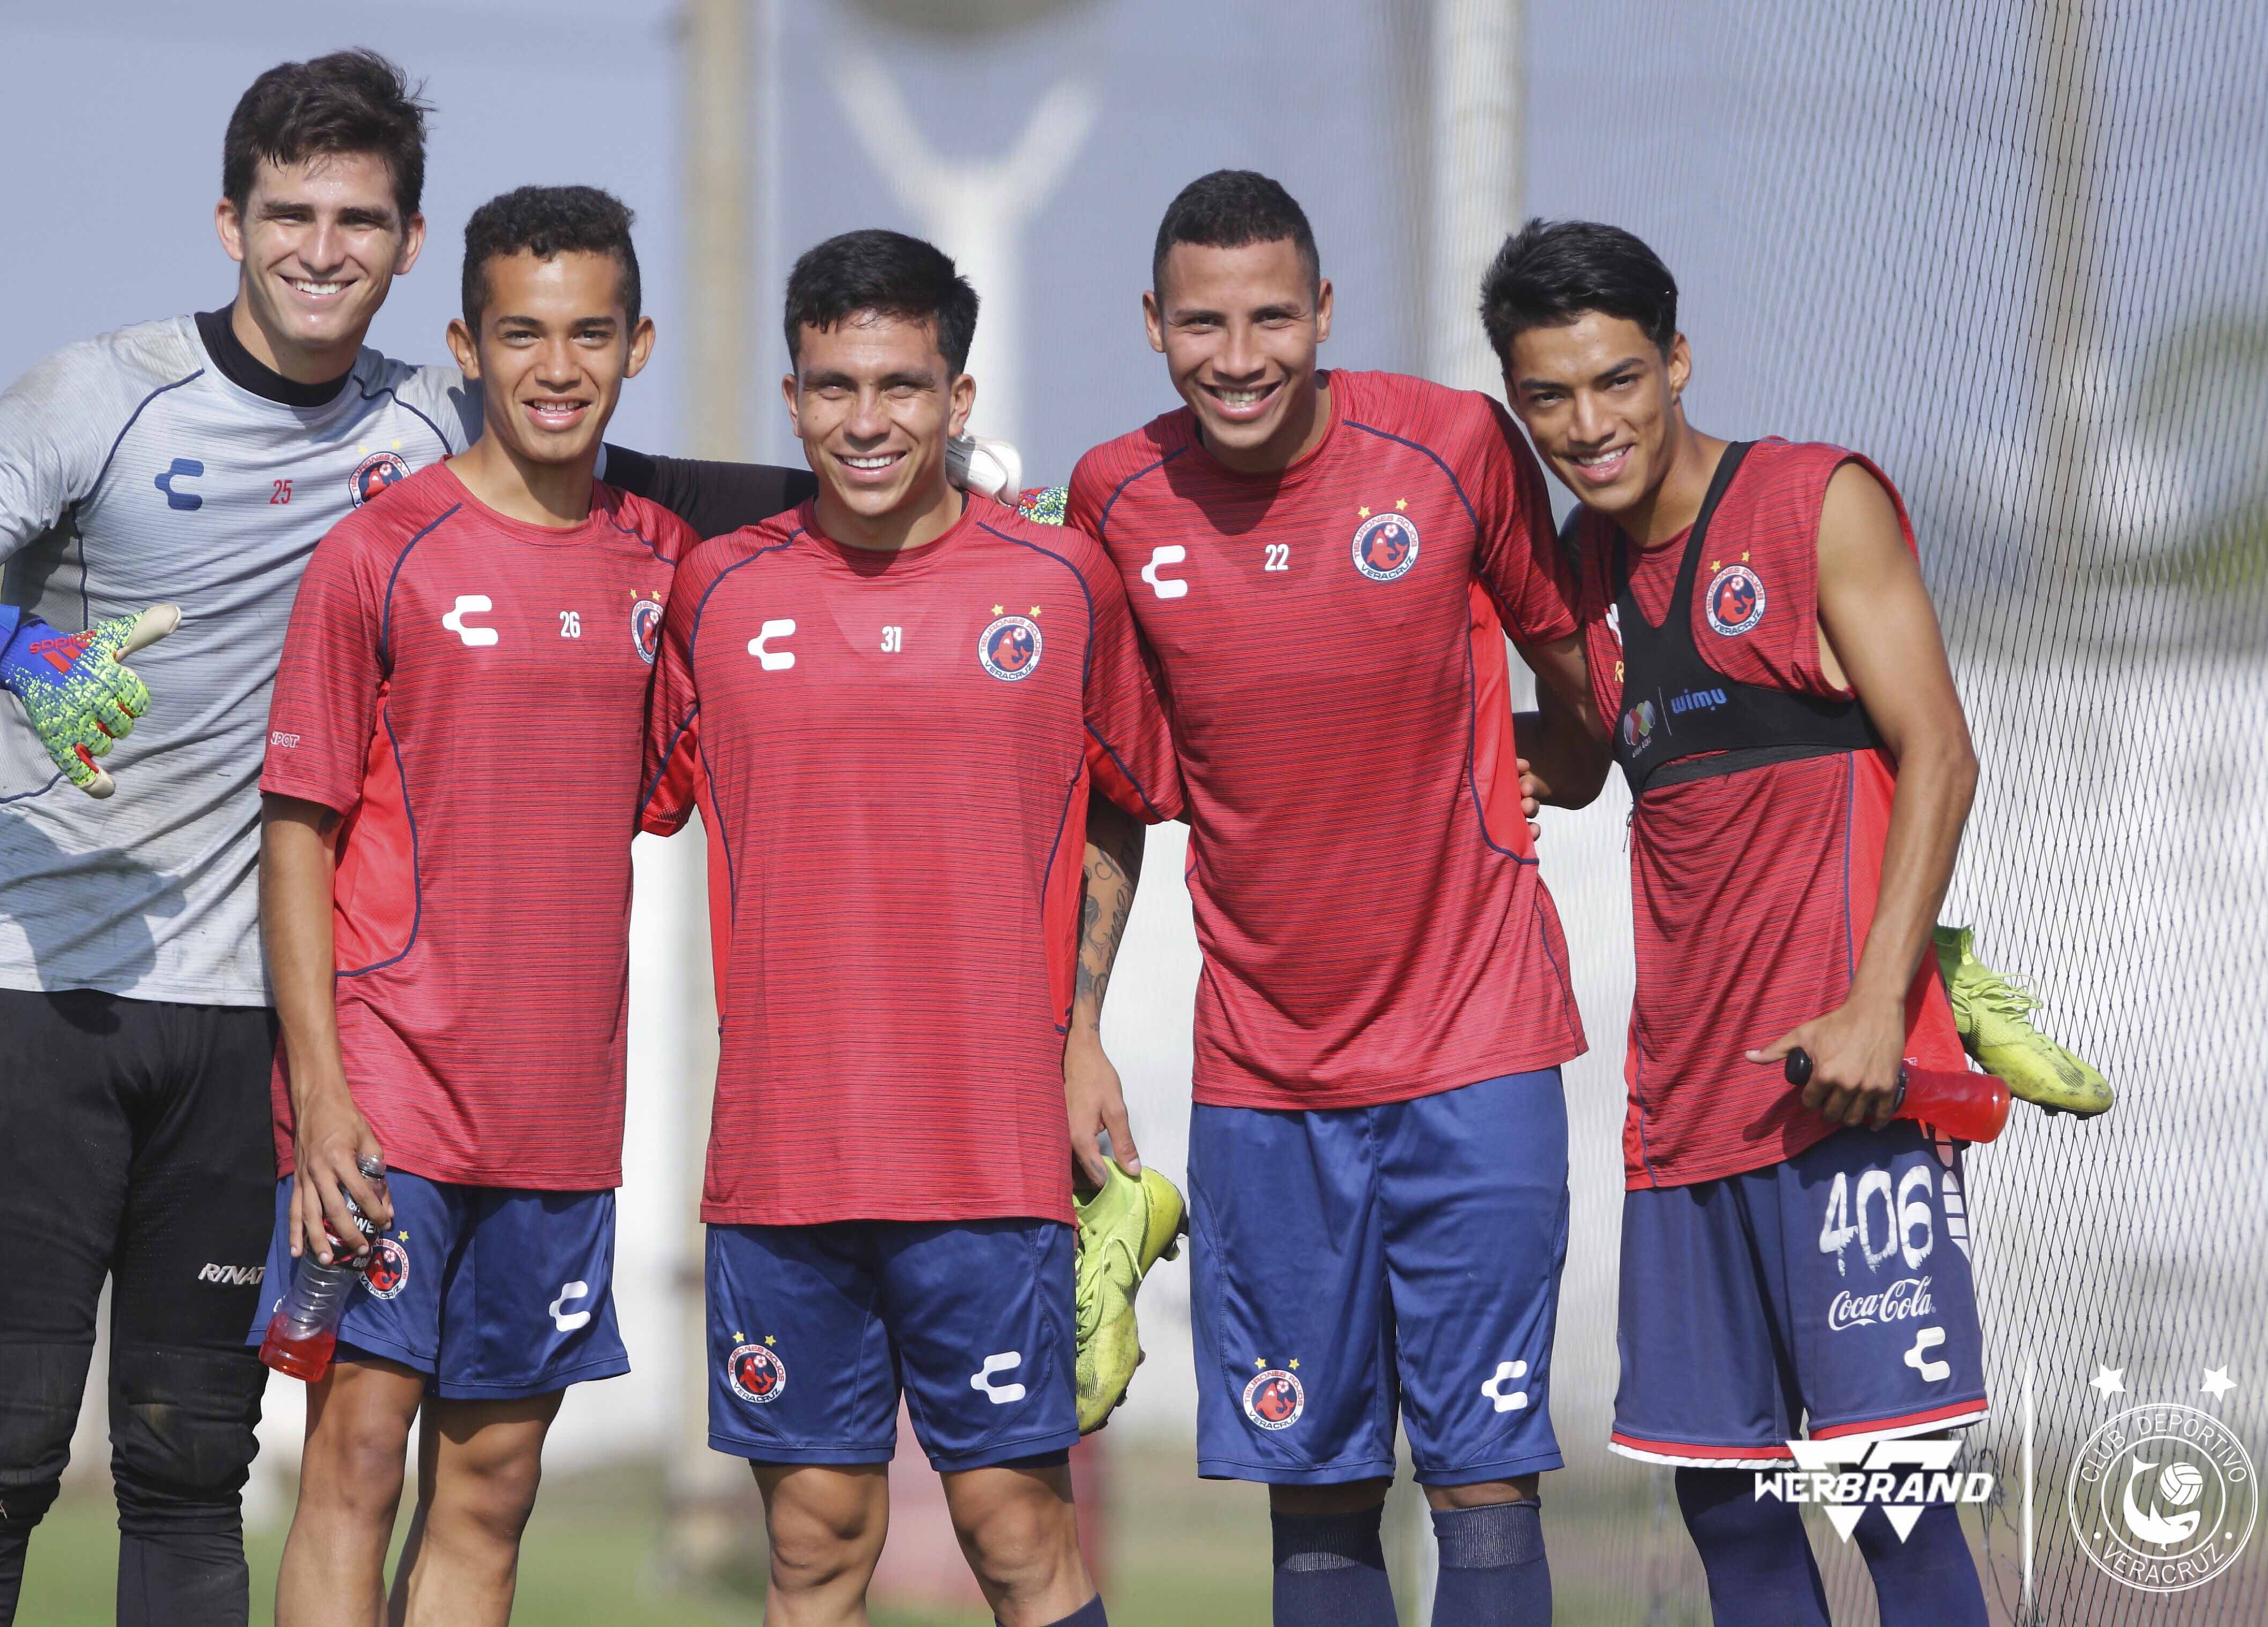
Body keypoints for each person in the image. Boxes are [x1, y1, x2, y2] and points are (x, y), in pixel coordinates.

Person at [0, 50, 865, 1626]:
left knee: (189, 1463)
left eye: (358, 220)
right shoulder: (101, 397)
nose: (322, 248)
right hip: (48, 984)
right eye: (289, 213)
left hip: (257, 1017)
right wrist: (21, 657)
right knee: (0, 1446)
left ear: (409, 244)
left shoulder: (432, 420)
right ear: (227, 222)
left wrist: (932, 503)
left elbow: (648, 487)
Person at [1062, 170, 1599, 1627]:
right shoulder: (1115, 496)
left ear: (1325, 315)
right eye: (1204, 323)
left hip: (1477, 1052)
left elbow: (1580, 669)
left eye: (1271, 317)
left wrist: (1564, 760)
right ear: (1156, 329)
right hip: (1268, 1080)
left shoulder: (1451, 450)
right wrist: (1078, 1027)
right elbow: (1116, 786)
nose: (1240, 355)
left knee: (1486, 1478)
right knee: (1315, 1487)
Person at [641, 229, 1179, 1627]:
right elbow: (624, 791)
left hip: (986, 1149)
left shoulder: (1062, 584)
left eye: (899, 386)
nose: (865, 421)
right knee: (816, 1546)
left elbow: (1123, 800)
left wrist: (1084, 1028)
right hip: (782, 1154)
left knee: (1019, 1533)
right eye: (832, 388)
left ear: (959, 398)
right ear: (791, 393)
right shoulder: (722, 592)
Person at [1480, 217, 1990, 1625]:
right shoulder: (1578, 573)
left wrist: (1882, 1003)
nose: (1590, 425)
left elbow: (1940, 751)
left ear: (1677, 361)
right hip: (1683, 1116)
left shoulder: (1813, 502)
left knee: (1895, 1497)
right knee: (1735, 1518)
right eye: (1552, 398)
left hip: (1846, 1097)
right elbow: (1583, 760)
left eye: (1619, 381)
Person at [250, 184, 689, 1627]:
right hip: (389, 1098)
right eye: (521, 334)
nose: (554, 367)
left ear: (635, 348)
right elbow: (297, 833)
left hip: (561, 1110)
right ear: (466, 346)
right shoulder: (383, 554)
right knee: (358, 1459)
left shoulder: (662, 565)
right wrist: (321, 1098)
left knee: (492, 1482)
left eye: (587, 334)